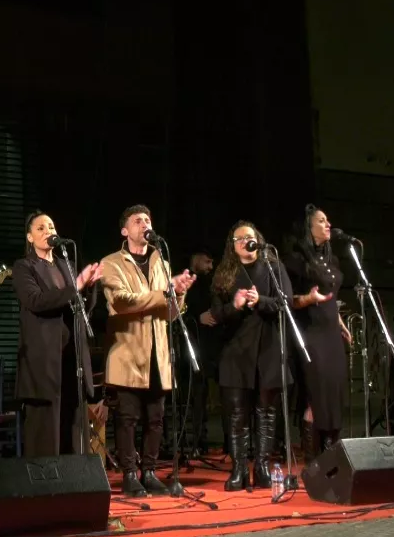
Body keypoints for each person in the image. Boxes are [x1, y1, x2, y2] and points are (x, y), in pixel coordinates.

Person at [101, 205, 195, 497]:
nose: (144, 224)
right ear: (125, 230)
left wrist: (180, 293)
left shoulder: (161, 262)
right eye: (137, 220)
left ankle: (150, 472)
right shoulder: (111, 263)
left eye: (147, 220)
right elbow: (121, 301)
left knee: (156, 418)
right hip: (128, 352)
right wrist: (164, 293)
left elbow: (169, 315)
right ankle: (130, 474)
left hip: (158, 353)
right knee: (127, 418)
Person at [12, 210, 105, 458]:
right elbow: (35, 301)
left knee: (72, 424)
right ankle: (44, 478)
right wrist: (76, 287)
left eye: (51, 227)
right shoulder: (24, 267)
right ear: (29, 237)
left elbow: (84, 308)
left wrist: (90, 287)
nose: (48, 232)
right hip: (44, 361)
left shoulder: (66, 266)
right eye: (40, 228)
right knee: (45, 430)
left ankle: (74, 477)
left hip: (72, 355)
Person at [210, 221, 292, 491]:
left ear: (258, 239)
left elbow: (286, 303)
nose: (246, 241)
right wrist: (234, 306)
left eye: (250, 236)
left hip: (268, 348)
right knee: (237, 415)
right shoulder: (224, 273)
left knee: (266, 412)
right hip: (236, 351)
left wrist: (261, 301)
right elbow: (216, 313)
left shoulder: (273, 267)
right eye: (240, 238)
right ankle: (239, 469)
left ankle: (263, 467)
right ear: (232, 245)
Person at [284, 205, 352, 461]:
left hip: (331, 331)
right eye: (322, 221)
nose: (328, 224)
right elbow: (288, 300)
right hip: (310, 332)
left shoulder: (332, 259)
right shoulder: (297, 260)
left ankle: (331, 453)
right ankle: (312, 459)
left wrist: (340, 322)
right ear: (309, 227)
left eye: (327, 220)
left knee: (335, 391)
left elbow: (331, 298)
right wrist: (309, 299)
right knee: (316, 393)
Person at [184, 249, 221, 456]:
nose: (210, 266)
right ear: (196, 259)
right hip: (194, 344)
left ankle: (225, 440)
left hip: (213, 344)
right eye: (207, 261)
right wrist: (198, 318)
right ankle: (198, 439)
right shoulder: (186, 281)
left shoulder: (211, 283)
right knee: (197, 394)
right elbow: (180, 312)